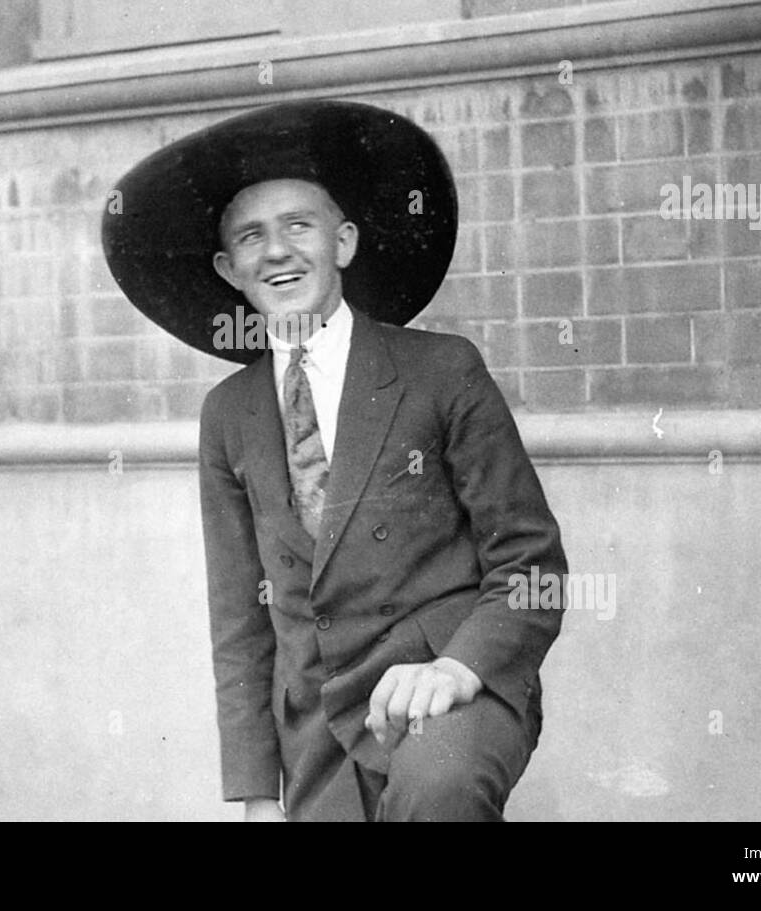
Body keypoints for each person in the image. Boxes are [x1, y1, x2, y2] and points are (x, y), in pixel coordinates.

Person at [103, 100, 568, 821]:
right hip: (319, 724)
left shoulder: (441, 370)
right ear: (230, 269)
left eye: (299, 225)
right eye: (251, 237)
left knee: (438, 791)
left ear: (344, 242)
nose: (278, 251)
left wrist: (457, 666)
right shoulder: (228, 415)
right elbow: (240, 624)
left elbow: (531, 563)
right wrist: (258, 791)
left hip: (446, 687)